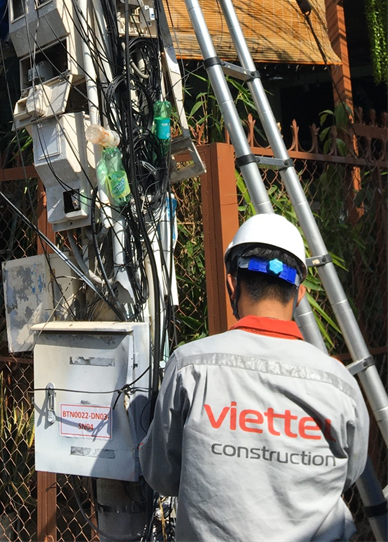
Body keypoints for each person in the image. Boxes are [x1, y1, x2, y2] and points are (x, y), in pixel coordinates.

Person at [139, 213, 369, 541]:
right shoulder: (340, 384)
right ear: (299, 294)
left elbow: (161, 474)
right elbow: (349, 473)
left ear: (232, 283)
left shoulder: (191, 367)